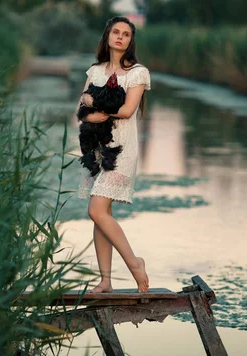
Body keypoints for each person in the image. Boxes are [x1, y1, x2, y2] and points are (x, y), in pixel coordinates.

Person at [76, 16, 151, 293]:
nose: (120, 37)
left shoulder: (137, 73)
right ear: (107, 36)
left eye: (126, 34)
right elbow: (81, 112)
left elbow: (127, 111)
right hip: (97, 150)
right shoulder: (95, 71)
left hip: (122, 151)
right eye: (116, 32)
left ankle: (134, 262)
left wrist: (95, 106)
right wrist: (93, 108)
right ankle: (105, 280)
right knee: (101, 213)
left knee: (95, 209)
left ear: (131, 41)